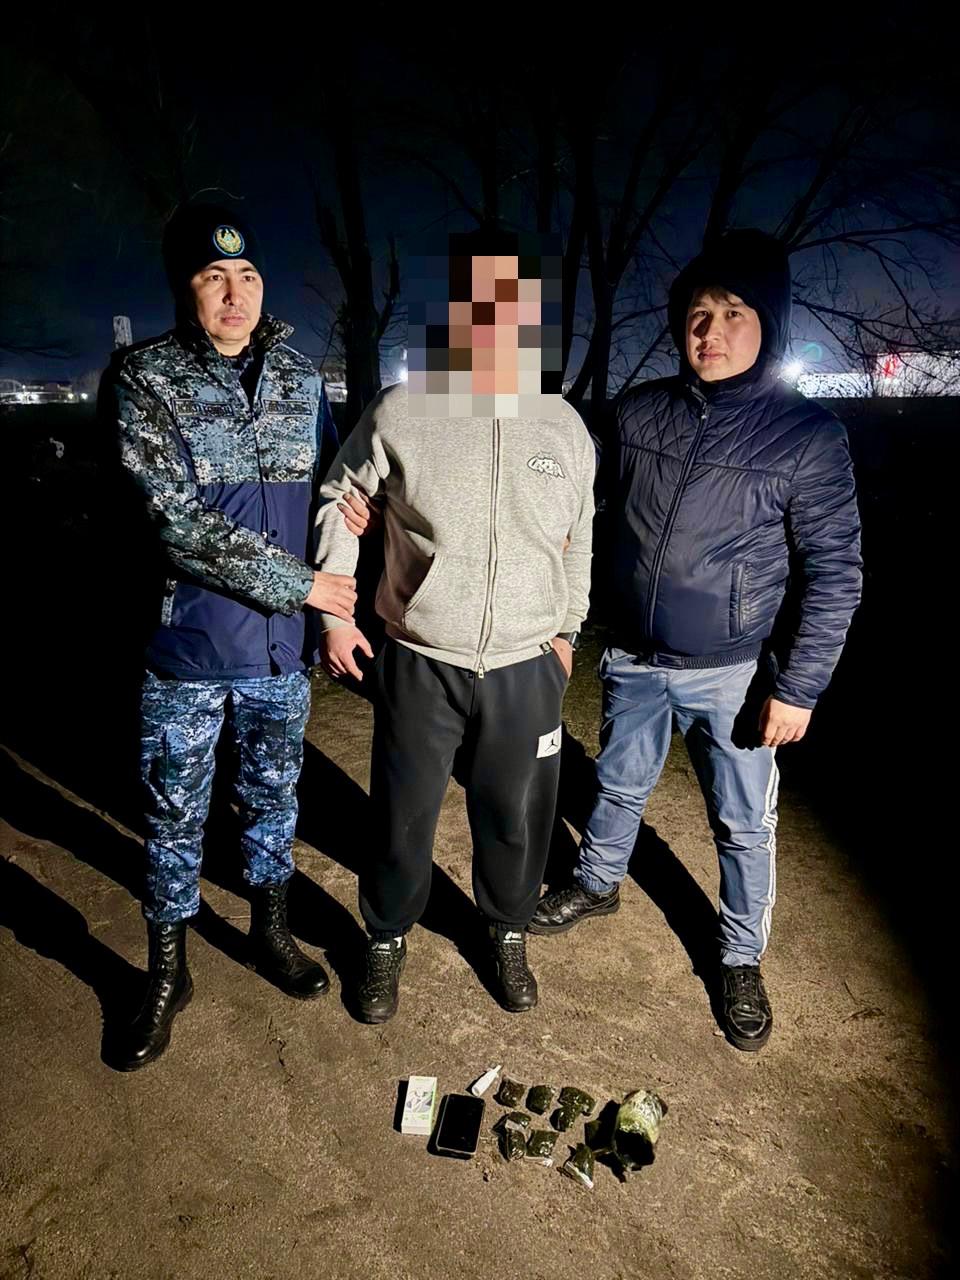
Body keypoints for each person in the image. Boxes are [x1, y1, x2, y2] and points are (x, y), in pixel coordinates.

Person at [530, 229, 862, 1052]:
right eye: (697, 313)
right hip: (636, 657)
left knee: (742, 823)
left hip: (735, 674)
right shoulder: (640, 413)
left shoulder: (807, 437)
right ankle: (598, 881)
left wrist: (799, 688)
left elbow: (835, 573)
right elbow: (563, 488)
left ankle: (740, 955)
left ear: (769, 325)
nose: (709, 331)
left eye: (733, 313)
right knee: (617, 784)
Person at [104, 202, 362, 1070]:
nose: (234, 292)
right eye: (213, 276)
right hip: (189, 649)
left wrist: (350, 512)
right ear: (185, 287)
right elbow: (175, 524)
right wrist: (304, 585)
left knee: (274, 798)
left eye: (247, 275)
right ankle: (166, 970)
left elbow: (330, 484)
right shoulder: (146, 379)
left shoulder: (298, 378)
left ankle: (270, 931)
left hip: (279, 654)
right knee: (173, 812)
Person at [314, 231, 596, 1021]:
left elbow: (579, 539)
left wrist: (566, 633)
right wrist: (335, 612)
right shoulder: (404, 409)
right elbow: (341, 498)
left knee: (515, 814)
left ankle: (506, 929)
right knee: (401, 814)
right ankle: (384, 936)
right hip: (419, 657)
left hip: (527, 663)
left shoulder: (563, 426)